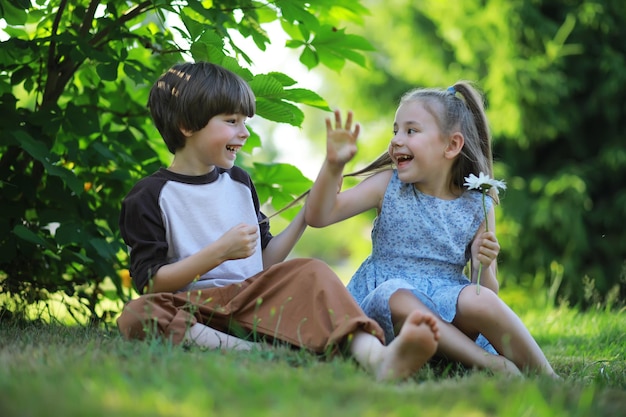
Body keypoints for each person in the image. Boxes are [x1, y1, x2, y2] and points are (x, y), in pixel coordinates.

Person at [116, 61, 440, 382]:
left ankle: (378, 357)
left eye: (244, 122)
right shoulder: (150, 196)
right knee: (139, 314)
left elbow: (265, 262)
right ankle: (250, 351)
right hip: (195, 309)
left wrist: (304, 215)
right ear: (187, 125)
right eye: (231, 121)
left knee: (311, 271)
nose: (243, 133)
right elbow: (152, 283)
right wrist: (219, 252)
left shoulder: (239, 182)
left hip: (251, 302)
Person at [305, 81, 558, 377]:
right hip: (387, 309)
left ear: (451, 145)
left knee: (481, 299)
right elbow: (319, 216)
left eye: (411, 131)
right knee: (396, 293)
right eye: (395, 130)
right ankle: (489, 363)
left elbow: (486, 292)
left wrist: (483, 266)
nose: (397, 140)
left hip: (448, 308)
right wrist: (333, 166)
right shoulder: (388, 186)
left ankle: (547, 376)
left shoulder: (479, 205)